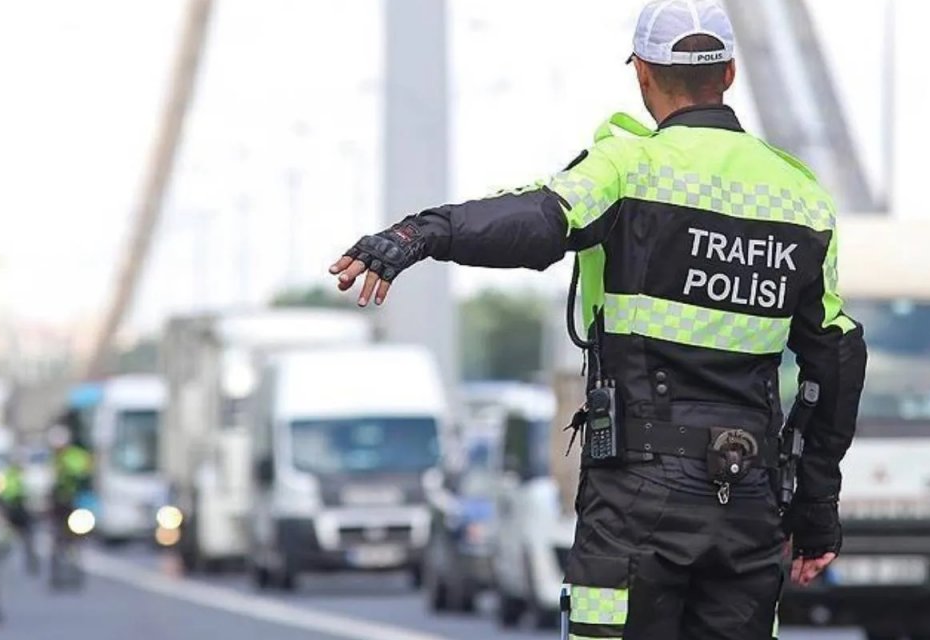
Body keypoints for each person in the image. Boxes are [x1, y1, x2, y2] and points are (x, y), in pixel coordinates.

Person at [328, 1, 867, 637]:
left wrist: (422, 233)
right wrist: (816, 508)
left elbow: (534, 221)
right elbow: (836, 357)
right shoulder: (801, 197)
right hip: (746, 498)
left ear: (642, 73)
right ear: (728, 73)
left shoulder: (627, 167)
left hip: (638, 497)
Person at [0, 453, 38, 575]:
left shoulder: (28, 475)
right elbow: (5, 494)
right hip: (15, 509)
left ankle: (31, 560)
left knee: (28, 537)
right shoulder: (9, 475)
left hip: (24, 510)